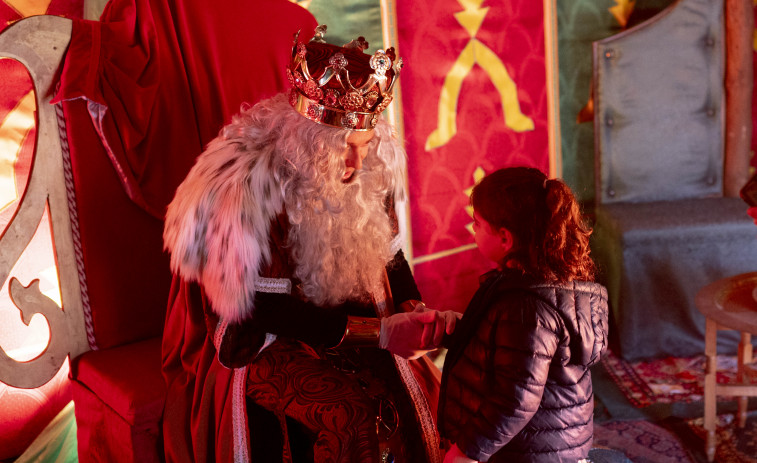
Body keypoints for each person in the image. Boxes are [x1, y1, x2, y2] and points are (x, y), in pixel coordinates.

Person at [161, 26, 456, 463]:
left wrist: (412, 308)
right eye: (344, 150)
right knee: (352, 415)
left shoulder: (364, 166)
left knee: (417, 398)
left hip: (349, 318)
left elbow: (388, 257)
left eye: (364, 145)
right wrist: (379, 333)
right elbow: (256, 307)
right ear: (307, 141)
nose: (357, 164)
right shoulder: (244, 185)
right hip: (264, 337)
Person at [437, 167, 609, 463]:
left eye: (477, 224)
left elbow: (515, 399)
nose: (472, 230)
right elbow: (513, 354)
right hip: (553, 444)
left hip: (529, 453)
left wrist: (466, 452)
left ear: (505, 238)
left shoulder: (526, 307)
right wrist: (461, 329)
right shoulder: (548, 286)